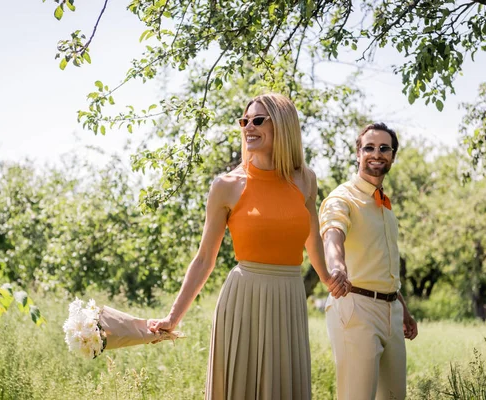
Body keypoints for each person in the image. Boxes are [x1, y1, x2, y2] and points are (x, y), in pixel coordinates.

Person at [147, 93, 349, 400]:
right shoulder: (226, 186)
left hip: (289, 298)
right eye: (244, 121)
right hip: (243, 300)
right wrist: (173, 318)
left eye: (257, 120)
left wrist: (327, 277)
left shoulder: (305, 179)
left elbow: (311, 237)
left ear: (283, 126)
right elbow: (204, 258)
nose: (248, 127)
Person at [319, 122, 419, 400]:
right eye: (369, 147)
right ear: (358, 153)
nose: (377, 153)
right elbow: (332, 233)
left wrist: (402, 308)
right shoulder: (342, 198)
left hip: (391, 310)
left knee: (394, 396)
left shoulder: (385, 207)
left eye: (384, 148)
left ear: (393, 156)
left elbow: (382, 265)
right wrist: (337, 266)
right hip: (356, 307)